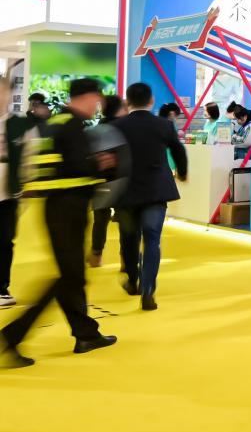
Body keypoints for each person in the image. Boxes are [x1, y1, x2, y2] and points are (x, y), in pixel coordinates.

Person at [1, 79, 117, 366]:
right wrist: (101, 164)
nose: (97, 106)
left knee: (72, 275)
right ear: (86, 97)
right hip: (69, 208)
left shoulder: (53, 123)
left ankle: (85, 333)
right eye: (96, 99)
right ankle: (11, 336)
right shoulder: (72, 125)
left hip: (56, 207)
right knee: (69, 277)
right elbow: (78, 165)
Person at [113, 83, 188, 311]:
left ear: (127, 102)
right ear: (151, 100)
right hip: (156, 191)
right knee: (152, 240)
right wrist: (182, 172)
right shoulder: (164, 125)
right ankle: (148, 291)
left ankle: (132, 280)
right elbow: (178, 150)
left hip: (126, 192)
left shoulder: (117, 126)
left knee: (129, 239)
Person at [88, 94, 126, 268]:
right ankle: (126, 259)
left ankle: (96, 255)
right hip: (122, 180)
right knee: (126, 220)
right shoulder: (125, 129)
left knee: (100, 220)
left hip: (101, 180)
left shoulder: (97, 129)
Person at [0, 76, 26, 308]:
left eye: (3, 91)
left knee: (5, 240)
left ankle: (1, 288)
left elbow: (29, 156)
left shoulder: (19, 124)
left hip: (9, 193)